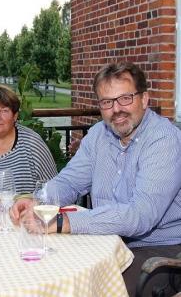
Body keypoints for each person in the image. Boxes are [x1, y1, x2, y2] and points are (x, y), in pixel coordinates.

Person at [10, 62, 181, 296]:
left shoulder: (164, 140)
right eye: (107, 102)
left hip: (161, 251)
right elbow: (69, 182)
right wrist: (39, 201)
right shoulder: (99, 134)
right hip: (105, 241)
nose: (116, 109)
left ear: (144, 99)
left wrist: (63, 222)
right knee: (44, 271)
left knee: (91, 288)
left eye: (125, 98)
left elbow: (141, 215)